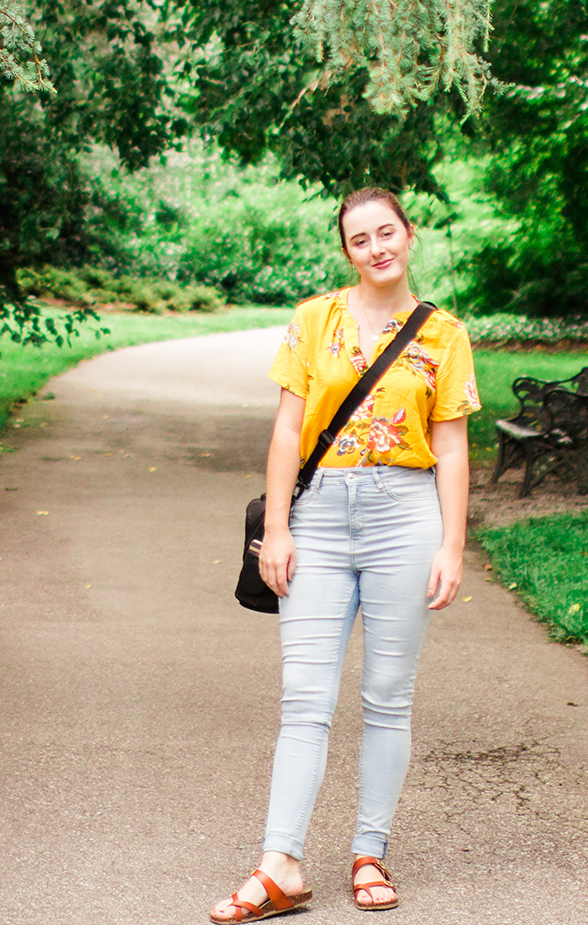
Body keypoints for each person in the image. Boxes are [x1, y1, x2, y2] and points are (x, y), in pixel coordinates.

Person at [209, 187, 479, 921]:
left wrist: (453, 544)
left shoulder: (444, 335)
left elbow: (451, 447)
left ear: (409, 233)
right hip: (320, 516)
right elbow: (286, 435)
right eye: (359, 239)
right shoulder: (313, 321)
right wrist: (283, 529)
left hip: (406, 516)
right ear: (347, 251)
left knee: (387, 696)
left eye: (385, 232)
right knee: (304, 698)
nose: (376, 247)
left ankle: (369, 850)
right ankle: (280, 865)